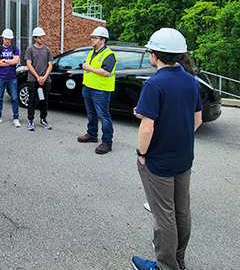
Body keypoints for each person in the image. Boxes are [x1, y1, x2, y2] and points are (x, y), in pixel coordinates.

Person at [131, 28, 202, 270]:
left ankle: (165, 266)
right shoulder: (190, 80)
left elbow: (147, 129)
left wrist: (142, 155)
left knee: (164, 217)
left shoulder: (154, 84)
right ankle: (178, 260)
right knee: (181, 211)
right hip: (183, 159)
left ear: (155, 55)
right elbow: (197, 119)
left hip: (159, 162)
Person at [77, 26, 117, 154]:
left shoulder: (109, 55)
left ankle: (107, 143)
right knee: (91, 114)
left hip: (101, 90)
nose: (92, 39)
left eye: (95, 38)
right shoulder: (91, 53)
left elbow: (106, 72)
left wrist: (88, 68)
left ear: (103, 40)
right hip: (88, 88)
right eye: (92, 37)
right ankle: (92, 134)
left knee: (104, 116)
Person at [0, 28, 21, 127]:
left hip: (12, 77)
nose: (7, 40)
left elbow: (16, 61)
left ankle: (16, 118)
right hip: (1, 77)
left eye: (9, 39)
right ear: (2, 38)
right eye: (6, 39)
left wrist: (4, 61)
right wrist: (9, 61)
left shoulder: (15, 48)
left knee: (14, 98)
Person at [25, 27, 53, 131]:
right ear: (35, 38)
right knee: (32, 100)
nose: (42, 39)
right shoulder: (30, 49)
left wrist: (44, 77)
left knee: (44, 100)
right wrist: (37, 77)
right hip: (33, 79)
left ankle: (43, 119)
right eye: (40, 38)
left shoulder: (47, 50)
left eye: (43, 37)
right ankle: (31, 120)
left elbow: (50, 65)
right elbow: (29, 64)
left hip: (45, 79)